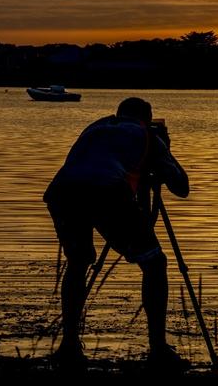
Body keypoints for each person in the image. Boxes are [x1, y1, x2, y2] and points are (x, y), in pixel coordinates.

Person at [44, 97, 190, 370]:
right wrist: (164, 150)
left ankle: (69, 346)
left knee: (77, 263)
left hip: (62, 192)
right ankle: (158, 348)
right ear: (146, 119)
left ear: (118, 114)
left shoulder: (95, 127)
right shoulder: (146, 135)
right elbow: (181, 187)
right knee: (154, 263)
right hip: (106, 191)